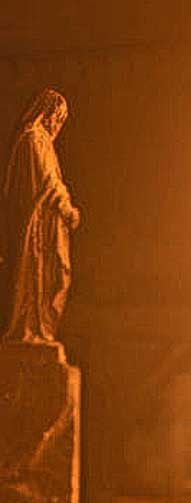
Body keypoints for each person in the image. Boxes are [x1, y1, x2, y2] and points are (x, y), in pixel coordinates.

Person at [2, 89, 80, 342]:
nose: (58, 124)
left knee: (53, 278)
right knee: (42, 279)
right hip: (38, 226)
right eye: (58, 117)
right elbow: (48, 180)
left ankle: (39, 330)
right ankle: (31, 330)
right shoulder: (35, 139)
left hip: (47, 223)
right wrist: (66, 207)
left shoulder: (39, 141)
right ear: (48, 114)